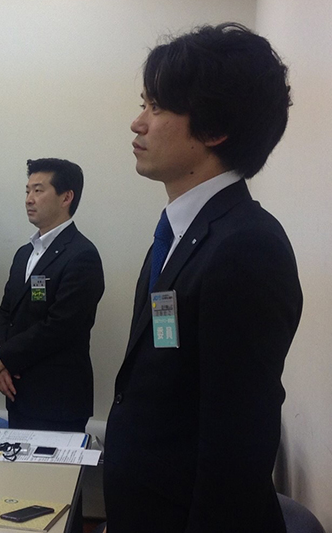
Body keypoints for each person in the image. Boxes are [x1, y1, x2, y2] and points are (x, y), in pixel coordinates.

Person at [104, 23, 302, 533]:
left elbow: (235, 452)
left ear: (214, 129)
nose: (137, 123)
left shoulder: (246, 248)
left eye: (155, 107)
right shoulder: (180, 233)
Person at [0, 158, 104, 432]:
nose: (29, 199)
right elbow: (6, 311)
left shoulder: (82, 255)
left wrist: (5, 355)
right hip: (17, 394)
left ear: (66, 197)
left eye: (38, 190)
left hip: (57, 400)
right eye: (27, 191)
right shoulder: (24, 253)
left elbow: (61, 326)